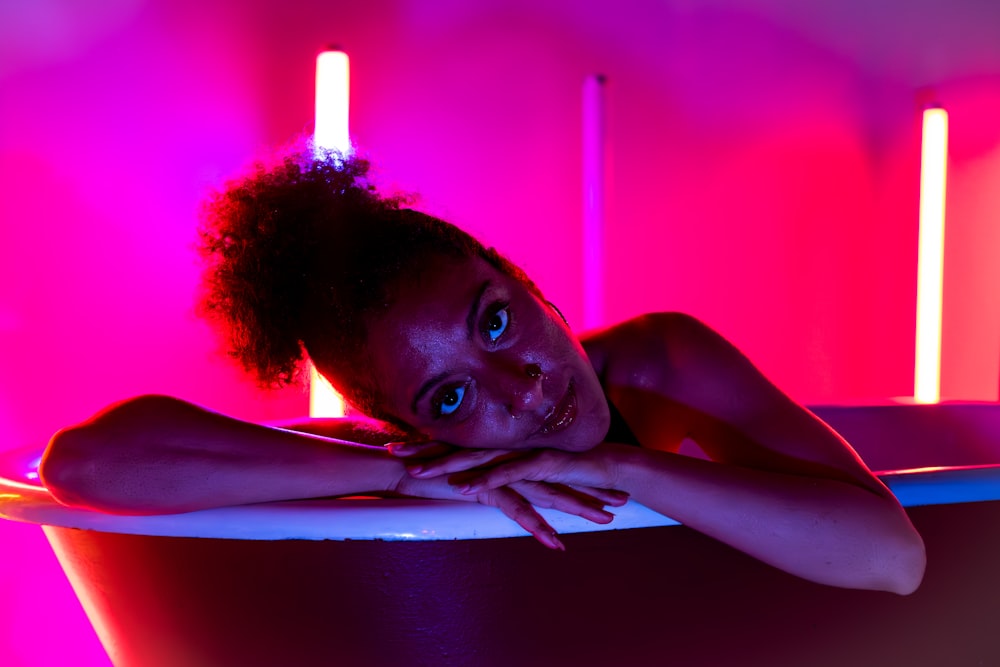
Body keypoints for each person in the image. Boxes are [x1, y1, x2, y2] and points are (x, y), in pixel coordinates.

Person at [39, 147, 925, 595]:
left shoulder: (661, 361)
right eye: (452, 396)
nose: (521, 388)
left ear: (534, 286)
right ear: (408, 424)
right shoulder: (416, 462)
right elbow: (81, 466)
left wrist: (618, 464)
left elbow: (895, 558)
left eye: (496, 320)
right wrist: (398, 470)